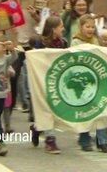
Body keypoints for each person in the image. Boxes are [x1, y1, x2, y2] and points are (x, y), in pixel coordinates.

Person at [71, 15, 107, 153]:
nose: (90, 29)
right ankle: (84, 139)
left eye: (92, 27)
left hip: (96, 79)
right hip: (82, 80)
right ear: (81, 27)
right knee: (85, 111)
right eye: (87, 26)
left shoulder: (95, 41)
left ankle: (102, 140)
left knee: (101, 110)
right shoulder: (76, 42)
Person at [30, 16, 67, 154]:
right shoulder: (41, 42)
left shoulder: (63, 43)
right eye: (61, 26)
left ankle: (37, 127)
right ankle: (50, 141)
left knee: (54, 109)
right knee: (47, 108)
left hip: (56, 80)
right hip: (43, 79)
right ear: (53, 28)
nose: (63, 29)